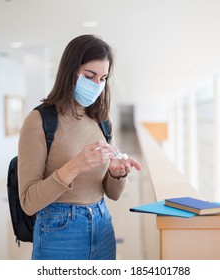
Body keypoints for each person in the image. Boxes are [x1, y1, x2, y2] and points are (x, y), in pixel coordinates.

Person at [17, 34, 142, 260]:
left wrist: (116, 174)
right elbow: (28, 202)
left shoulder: (102, 120)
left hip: (102, 225)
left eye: (103, 78)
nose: (97, 85)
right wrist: (75, 166)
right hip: (58, 231)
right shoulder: (39, 120)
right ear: (70, 71)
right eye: (89, 76)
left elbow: (113, 194)